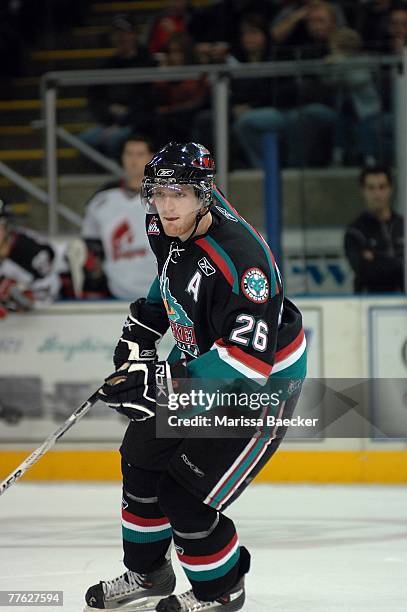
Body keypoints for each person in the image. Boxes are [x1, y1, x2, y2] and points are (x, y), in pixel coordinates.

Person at [84, 142, 307, 611]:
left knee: (185, 497)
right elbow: (172, 273)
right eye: (158, 193)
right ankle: (149, 574)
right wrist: (142, 325)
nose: (166, 206)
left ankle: (221, 591)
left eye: (178, 194)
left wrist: (161, 381)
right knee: (140, 458)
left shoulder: (244, 262)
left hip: (259, 388)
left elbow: (248, 364)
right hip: (206, 369)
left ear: (205, 194)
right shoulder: (163, 222)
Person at [80, 135, 157, 300]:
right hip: (115, 294)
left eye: (140, 154)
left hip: (160, 294)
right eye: (129, 154)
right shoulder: (102, 199)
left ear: (152, 158)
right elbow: (92, 245)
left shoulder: (168, 197)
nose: (133, 160)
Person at [79, 14, 157, 160]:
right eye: (117, 34)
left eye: (126, 33)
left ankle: (123, 178)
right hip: (108, 123)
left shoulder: (147, 62)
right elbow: (95, 98)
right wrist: (109, 111)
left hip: (137, 122)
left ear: (134, 35)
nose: (122, 38)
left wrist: (125, 118)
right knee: (83, 141)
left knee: (114, 141)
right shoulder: (106, 66)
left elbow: (148, 100)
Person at [344, 165, 404, 293]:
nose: (377, 194)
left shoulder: (402, 226)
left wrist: (375, 257)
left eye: (382, 187)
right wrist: (397, 261)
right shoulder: (355, 231)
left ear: (390, 189)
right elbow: (364, 272)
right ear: (363, 191)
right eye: (371, 188)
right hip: (367, 305)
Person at [0, 198, 61, 318]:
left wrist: (19, 295)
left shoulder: (28, 249)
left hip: (50, 319)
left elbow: (49, 294)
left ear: (5, 226)